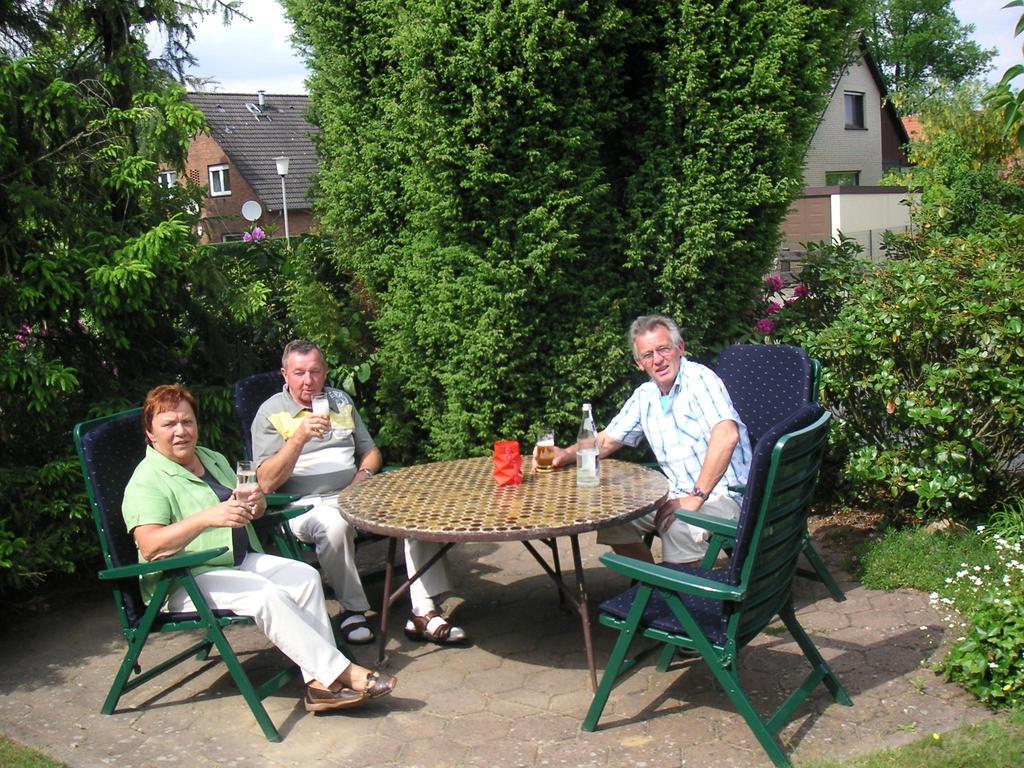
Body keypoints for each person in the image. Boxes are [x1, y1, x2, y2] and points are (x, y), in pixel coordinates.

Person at [122, 384, 396, 713]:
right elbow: (150, 546)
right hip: (184, 578)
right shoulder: (147, 479)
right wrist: (207, 518)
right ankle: (341, 672)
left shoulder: (212, 458)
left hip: (236, 560)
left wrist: (256, 505)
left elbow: (253, 501)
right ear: (151, 434)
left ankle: (319, 684)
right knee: (266, 595)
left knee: (305, 577)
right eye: (169, 424)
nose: (181, 431)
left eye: (188, 422)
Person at [252, 340, 467, 646]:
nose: (308, 380)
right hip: (302, 505)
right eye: (299, 373)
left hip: (353, 495)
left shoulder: (340, 401)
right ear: (284, 375)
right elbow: (266, 481)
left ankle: (424, 611)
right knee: (333, 524)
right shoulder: (270, 413)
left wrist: (362, 477)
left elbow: (371, 453)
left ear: (325, 373)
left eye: (315, 371)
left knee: (415, 513)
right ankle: (353, 610)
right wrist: (298, 438)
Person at [548, 314, 752, 566]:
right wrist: (565, 454)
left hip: (728, 496)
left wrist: (695, 497)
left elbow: (727, 435)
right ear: (639, 363)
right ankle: (657, 587)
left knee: (680, 528)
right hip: (677, 494)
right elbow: (607, 441)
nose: (657, 360)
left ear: (680, 348)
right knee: (615, 520)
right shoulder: (646, 396)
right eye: (648, 355)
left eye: (663, 349)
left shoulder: (699, 381)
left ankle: (688, 602)